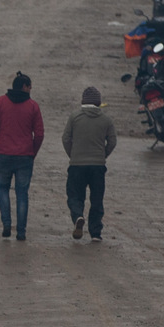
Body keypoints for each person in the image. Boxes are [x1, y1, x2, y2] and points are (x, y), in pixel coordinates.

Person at [0, 72, 44, 241]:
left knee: (2, 188)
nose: (31, 89)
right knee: (22, 193)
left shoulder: (1, 102)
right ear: (24, 87)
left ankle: (6, 223)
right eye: (30, 86)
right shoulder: (33, 106)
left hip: (4, 154)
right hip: (25, 156)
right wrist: (33, 151)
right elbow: (39, 134)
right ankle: (21, 231)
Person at [61, 87, 117, 242]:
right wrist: (103, 155)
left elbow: (65, 138)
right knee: (97, 199)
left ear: (83, 101)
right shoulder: (106, 120)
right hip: (98, 166)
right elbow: (112, 141)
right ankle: (96, 233)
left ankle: (78, 216)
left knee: (74, 195)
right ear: (98, 103)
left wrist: (73, 155)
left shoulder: (75, 117)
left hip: (77, 165)